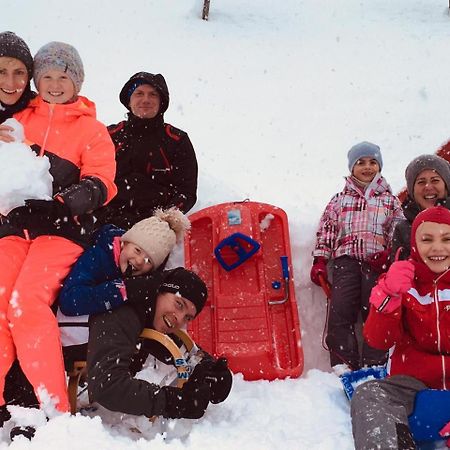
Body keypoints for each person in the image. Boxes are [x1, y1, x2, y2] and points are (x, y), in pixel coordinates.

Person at [0, 41, 117, 418]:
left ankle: (53, 407)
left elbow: (102, 183)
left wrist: (61, 206)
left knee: (28, 302)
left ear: (76, 82)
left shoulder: (92, 129)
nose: (53, 84)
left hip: (64, 231)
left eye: (62, 76)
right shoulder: (20, 120)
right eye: (46, 76)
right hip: (17, 228)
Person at [351, 206, 450, 450]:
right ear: (414, 243)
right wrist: (389, 295)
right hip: (413, 386)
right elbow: (378, 340)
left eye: (447, 239)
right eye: (427, 239)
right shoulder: (401, 280)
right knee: (368, 395)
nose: (437, 248)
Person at [86, 267, 233, 419]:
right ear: (159, 290)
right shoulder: (122, 311)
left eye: (188, 318)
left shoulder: (148, 311)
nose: (179, 318)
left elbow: (179, 351)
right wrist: (173, 402)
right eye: (179, 304)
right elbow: (107, 387)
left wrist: (209, 369)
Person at [310, 141, 404, 373]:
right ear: (351, 167)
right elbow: (328, 230)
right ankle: (344, 364)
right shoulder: (339, 200)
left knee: (375, 314)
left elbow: (398, 232)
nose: (367, 167)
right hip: (346, 263)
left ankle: (375, 364)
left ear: (379, 167)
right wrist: (320, 260)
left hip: (377, 265)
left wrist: (388, 255)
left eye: (372, 162)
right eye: (360, 162)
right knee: (341, 312)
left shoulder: (390, 201)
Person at [57, 207, 190, 357]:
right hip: (55, 329)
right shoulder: (99, 256)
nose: (139, 261)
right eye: (137, 250)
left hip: (78, 343)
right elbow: (69, 301)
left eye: (148, 261)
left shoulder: (134, 277)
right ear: (124, 242)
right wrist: (120, 291)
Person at [94, 71, 198, 230]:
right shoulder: (108, 136)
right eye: (139, 93)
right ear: (129, 100)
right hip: (107, 223)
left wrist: (161, 220)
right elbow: (93, 179)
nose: (146, 99)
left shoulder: (177, 140)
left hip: (156, 228)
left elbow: (186, 192)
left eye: (153, 94)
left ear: (161, 101)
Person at [391, 154, 450, 261]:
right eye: (421, 182)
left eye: (435, 180)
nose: (428, 187)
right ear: (412, 191)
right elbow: (398, 270)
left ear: (446, 187)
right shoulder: (403, 230)